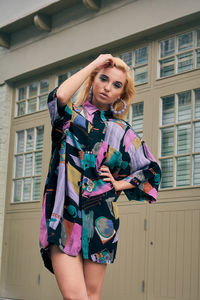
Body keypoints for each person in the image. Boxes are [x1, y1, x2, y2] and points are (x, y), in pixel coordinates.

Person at [39, 54, 161, 300]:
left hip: (101, 221)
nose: (107, 87)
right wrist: (95, 63)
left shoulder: (121, 131)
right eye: (103, 79)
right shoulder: (70, 118)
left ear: (121, 96)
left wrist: (118, 183)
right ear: (93, 80)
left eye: (117, 85)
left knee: (92, 296)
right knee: (76, 296)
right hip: (63, 214)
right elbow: (60, 96)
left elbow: (151, 171)